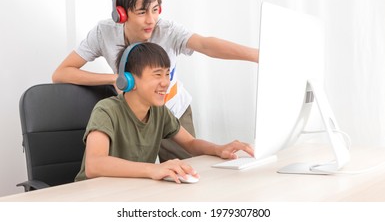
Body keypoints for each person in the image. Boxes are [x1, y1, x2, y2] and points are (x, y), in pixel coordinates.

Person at [52, 0, 258, 163]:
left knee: (186, 173)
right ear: (121, 14)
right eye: (142, 12)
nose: (151, 20)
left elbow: (206, 45)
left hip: (171, 113)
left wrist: (258, 55)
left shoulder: (167, 30)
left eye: (155, 10)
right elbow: (61, 73)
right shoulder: (103, 33)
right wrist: (116, 78)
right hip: (134, 114)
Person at [74, 42, 254, 183]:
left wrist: (219, 149)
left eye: (168, 74)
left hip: (129, 192)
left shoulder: (159, 111)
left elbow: (190, 143)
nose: (166, 82)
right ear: (128, 80)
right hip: (93, 195)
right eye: (157, 74)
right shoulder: (106, 110)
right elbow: (94, 164)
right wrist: (152, 169)